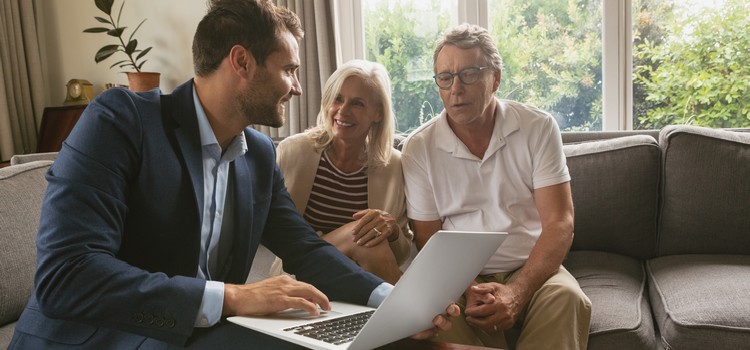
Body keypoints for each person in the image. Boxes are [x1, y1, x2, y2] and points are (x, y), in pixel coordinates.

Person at [8, 1, 456, 349]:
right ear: (241, 62)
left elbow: (306, 250)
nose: (297, 87)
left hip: (198, 335)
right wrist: (232, 297)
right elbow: (67, 276)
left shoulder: (259, 155)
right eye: (288, 70)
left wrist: (392, 302)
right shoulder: (121, 121)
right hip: (104, 338)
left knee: (374, 341)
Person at [400, 23, 592, 350]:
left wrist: (518, 292)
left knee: (568, 298)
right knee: (426, 313)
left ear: (496, 78)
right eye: (445, 77)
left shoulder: (538, 127)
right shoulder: (419, 148)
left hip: (531, 268)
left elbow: (560, 223)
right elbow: (427, 237)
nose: (456, 88)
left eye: (469, 74)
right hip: (456, 279)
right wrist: (470, 286)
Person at [274, 59, 410, 285]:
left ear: (377, 113)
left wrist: (393, 230)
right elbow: (275, 233)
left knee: (369, 239)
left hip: (363, 278)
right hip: (300, 273)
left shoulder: (394, 166)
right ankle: (420, 312)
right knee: (363, 236)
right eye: (338, 99)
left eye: (357, 103)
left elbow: (400, 255)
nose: (343, 111)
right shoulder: (292, 151)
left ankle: (416, 311)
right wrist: (349, 240)